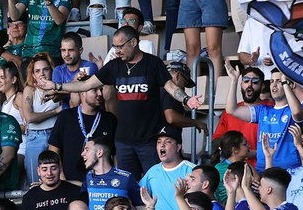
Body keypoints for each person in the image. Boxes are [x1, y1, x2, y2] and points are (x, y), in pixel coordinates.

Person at [49, 25, 207, 176]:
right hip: (123, 142)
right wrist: (56, 86)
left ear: (133, 42)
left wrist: (186, 100)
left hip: (149, 141)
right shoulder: (114, 66)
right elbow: (85, 84)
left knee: (152, 186)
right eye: (115, 47)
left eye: (120, 47)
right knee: (127, 191)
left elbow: (170, 86)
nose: (117, 51)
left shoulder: (153, 63)